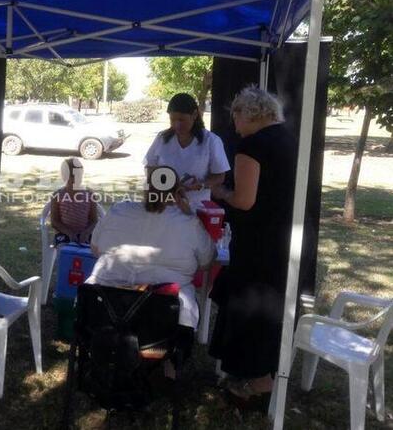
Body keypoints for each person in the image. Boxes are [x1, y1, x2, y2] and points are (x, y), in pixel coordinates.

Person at [208, 87, 296, 406]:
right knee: (268, 310)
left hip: (257, 241)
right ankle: (262, 376)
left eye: (235, 115)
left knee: (250, 308)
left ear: (249, 113)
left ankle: (255, 382)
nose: (234, 123)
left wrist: (222, 193)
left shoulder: (252, 146)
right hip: (284, 238)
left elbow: (244, 200)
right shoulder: (288, 139)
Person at [86, 169, 215, 334]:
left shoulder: (118, 211)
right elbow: (207, 261)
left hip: (104, 306)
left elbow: (95, 249)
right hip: (162, 317)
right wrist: (189, 214)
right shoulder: (189, 223)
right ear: (177, 194)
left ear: (145, 189)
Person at [144, 93, 230, 209]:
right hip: (166, 206)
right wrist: (165, 185)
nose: (176, 124)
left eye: (181, 120)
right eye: (172, 120)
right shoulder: (162, 138)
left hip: (197, 208)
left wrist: (202, 184)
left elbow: (220, 176)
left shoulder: (211, 141)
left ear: (194, 115)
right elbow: (150, 166)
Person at [50, 157, 99, 245]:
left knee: (90, 253)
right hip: (64, 234)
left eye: (78, 175)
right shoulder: (57, 196)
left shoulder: (90, 195)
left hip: (85, 234)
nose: (75, 179)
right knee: (65, 253)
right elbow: (54, 221)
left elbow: (94, 220)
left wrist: (86, 233)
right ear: (64, 177)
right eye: (71, 176)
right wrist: (69, 233)